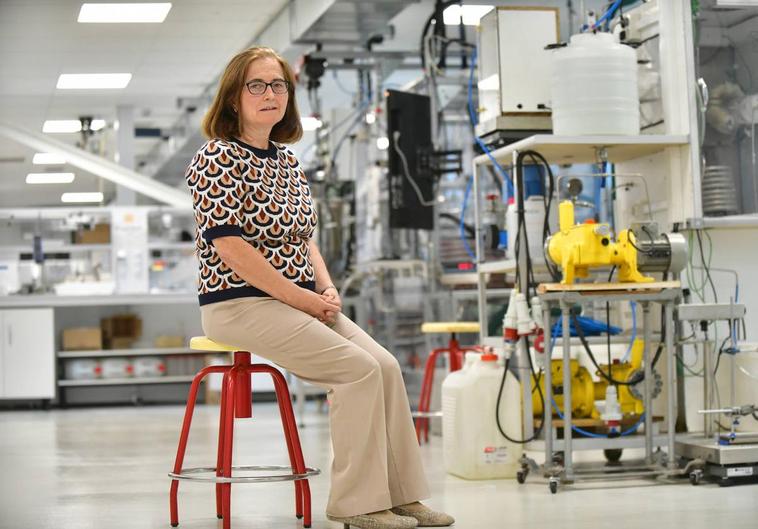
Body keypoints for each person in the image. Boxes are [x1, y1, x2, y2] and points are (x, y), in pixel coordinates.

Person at [185, 46, 455, 529]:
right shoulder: (216, 158)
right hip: (239, 303)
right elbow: (232, 249)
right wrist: (303, 299)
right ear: (233, 98)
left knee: (386, 366)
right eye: (257, 86)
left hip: (299, 300)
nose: (270, 95)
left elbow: (305, 238)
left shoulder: (288, 161)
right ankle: (356, 506)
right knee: (355, 370)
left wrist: (326, 289)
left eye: (279, 85)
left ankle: (400, 495)